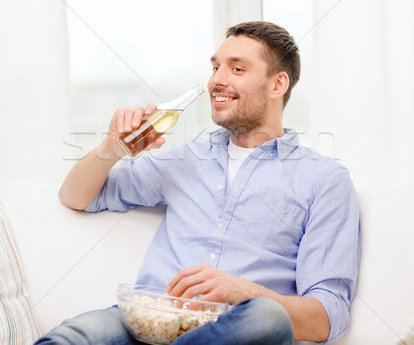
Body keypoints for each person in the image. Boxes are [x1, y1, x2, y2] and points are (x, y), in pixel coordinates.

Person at [36, 21, 361, 344]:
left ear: (277, 85)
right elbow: (75, 196)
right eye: (216, 67)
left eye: (237, 69)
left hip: (233, 330)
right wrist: (112, 147)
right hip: (146, 320)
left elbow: (328, 315)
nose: (216, 80)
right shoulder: (185, 158)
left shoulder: (324, 180)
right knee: (74, 336)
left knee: (268, 317)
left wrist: (242, 292)